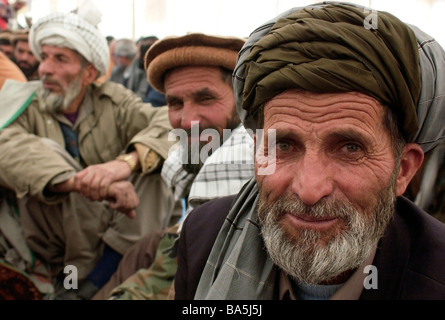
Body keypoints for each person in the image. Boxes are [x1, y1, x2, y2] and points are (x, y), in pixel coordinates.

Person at [174, 2, 445, 300]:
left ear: (403, 169)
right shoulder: (203, 235)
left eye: (350, 148)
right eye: (285, 146)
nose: (309, 190)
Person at [0, 10, 176, 299]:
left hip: (111, 235)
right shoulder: (23, 101)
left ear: (89, 74)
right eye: (44, 57)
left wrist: (125, 163)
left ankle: (95, 281)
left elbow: (169, 123)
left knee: (154, 170)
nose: (44, 69)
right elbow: (7, 146)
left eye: (60, 59)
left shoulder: (113, 101)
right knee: (46, 152)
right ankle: (81, 284)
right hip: (54, 241)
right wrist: (79, 181)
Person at [91, 33, 253, 300]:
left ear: (242, 100)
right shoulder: (197, 156)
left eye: (205, 99)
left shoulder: (250, 160)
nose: (187, 121)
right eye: (175, 103)